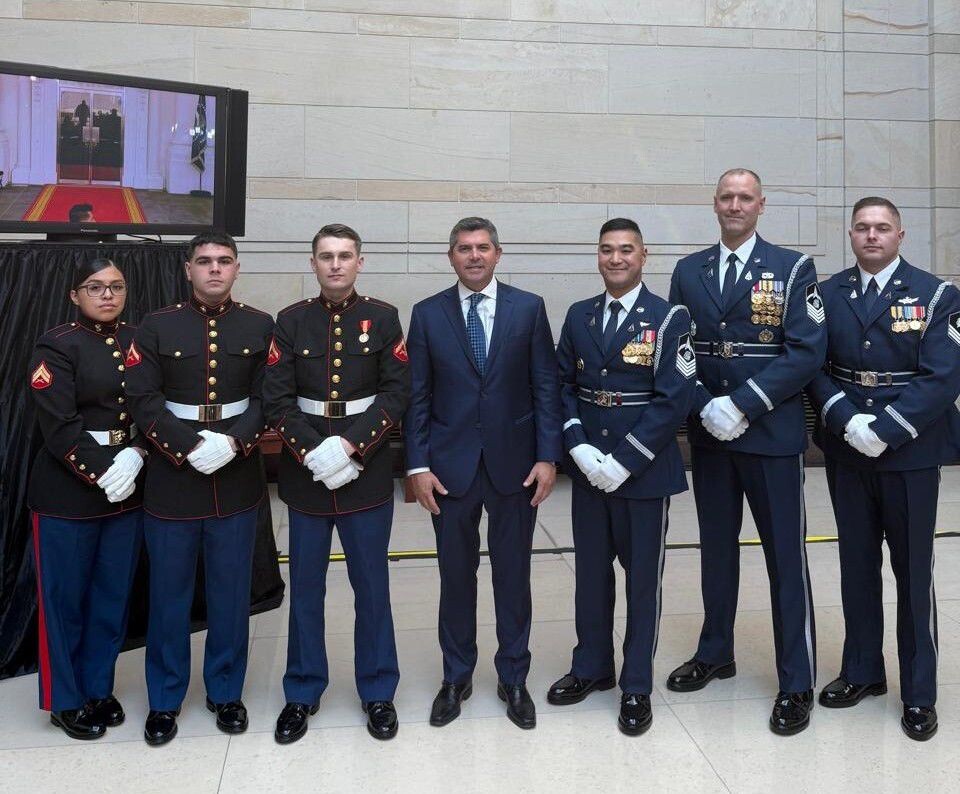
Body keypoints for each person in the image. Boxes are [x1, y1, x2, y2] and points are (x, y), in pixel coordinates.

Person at [667, 168, 827, 735]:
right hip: (712, 433)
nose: (735, 205)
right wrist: (709, 405)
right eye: (726, 197)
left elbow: (807, 350)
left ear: (762, 205)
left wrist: (744, 403)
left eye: (745, 197)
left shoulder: (792, 268)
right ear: (715, 205)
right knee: (716, 551)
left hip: (771, 434)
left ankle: (797, 679)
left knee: (785, 558)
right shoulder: (689, 271)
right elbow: (677, 347)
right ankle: (716, 652)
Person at [807, 197, 960, 741]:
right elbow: (813, 366)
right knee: (855, 565)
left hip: (911, 453)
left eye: (883, 228)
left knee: (913, 572)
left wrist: (887, 427)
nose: (872, 236)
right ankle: (863, 671)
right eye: (863, 228)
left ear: (901, 234)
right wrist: (849, 421)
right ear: (850, 235)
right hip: (847, 449)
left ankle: (919, 692)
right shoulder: (826, 295)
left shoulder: (939, 295)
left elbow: (944, 376)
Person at [404, 217, 563, 730]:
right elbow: (418, 398)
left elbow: (545, 388)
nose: (474, 256)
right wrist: (418, 465)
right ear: (450, 256)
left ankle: (514, 676)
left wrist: (547, 457)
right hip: (448, 470)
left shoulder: (529, 308)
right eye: (464, 249)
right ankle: (457, 676)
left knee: (513, 576)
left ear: (499, 253)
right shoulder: (427, 315)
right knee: (455, 577)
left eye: (483, 248)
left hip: (515, 466)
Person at [263, 224, 410, 744]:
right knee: (306, 587)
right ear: (313, 263)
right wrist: (312, 451)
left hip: (364, 471)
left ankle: (377, 690)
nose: (336, 265)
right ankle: (302, 689)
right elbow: (277, 399)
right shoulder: (291, 321)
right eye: (326, 256)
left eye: (345, 256)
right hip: (306, 476)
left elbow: (396, 394)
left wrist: (350, 447)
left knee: (372, 587)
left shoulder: (385, 318)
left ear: (360, 262)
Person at [125, 232, 274, 746]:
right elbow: (143, 400)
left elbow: (266, 398)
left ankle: (225, 692)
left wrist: (235, 443)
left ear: (237, 268)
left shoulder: (260, 324)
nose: (214, 270)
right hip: (174, 479)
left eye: (224, 261)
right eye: (204, 262)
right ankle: (165, 700)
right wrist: (187, 447)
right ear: (187, 269)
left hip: (235, 479)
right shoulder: (156, 326)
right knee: (168, 596)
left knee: (231, 595)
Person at [548, 218, 695, 735]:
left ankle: (636, 685)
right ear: (598, 256)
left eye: (626, 250)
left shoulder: (669, 317)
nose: (616, 259)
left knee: (641, 584)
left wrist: (626, 459)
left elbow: (674, 397)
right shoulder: (579, 314)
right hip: (590, 470)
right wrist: (577, 444)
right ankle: (592, 667)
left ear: (643, 255)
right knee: (589, 576)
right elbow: (563, 383)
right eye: (607, 250)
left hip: (644, 474)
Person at [27, 257, 145, 740]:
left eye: (116, 286)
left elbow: (149, 406)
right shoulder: (56, 345)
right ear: (75, 295)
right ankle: (65, 699)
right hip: (68, 495)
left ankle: (98, 687)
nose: (107, 295)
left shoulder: (139, 340)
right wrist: (102, 472)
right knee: (64, 601)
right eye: (94, 287)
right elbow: (59, 426)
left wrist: (138, 452)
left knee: (111, 598)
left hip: (128, 489)